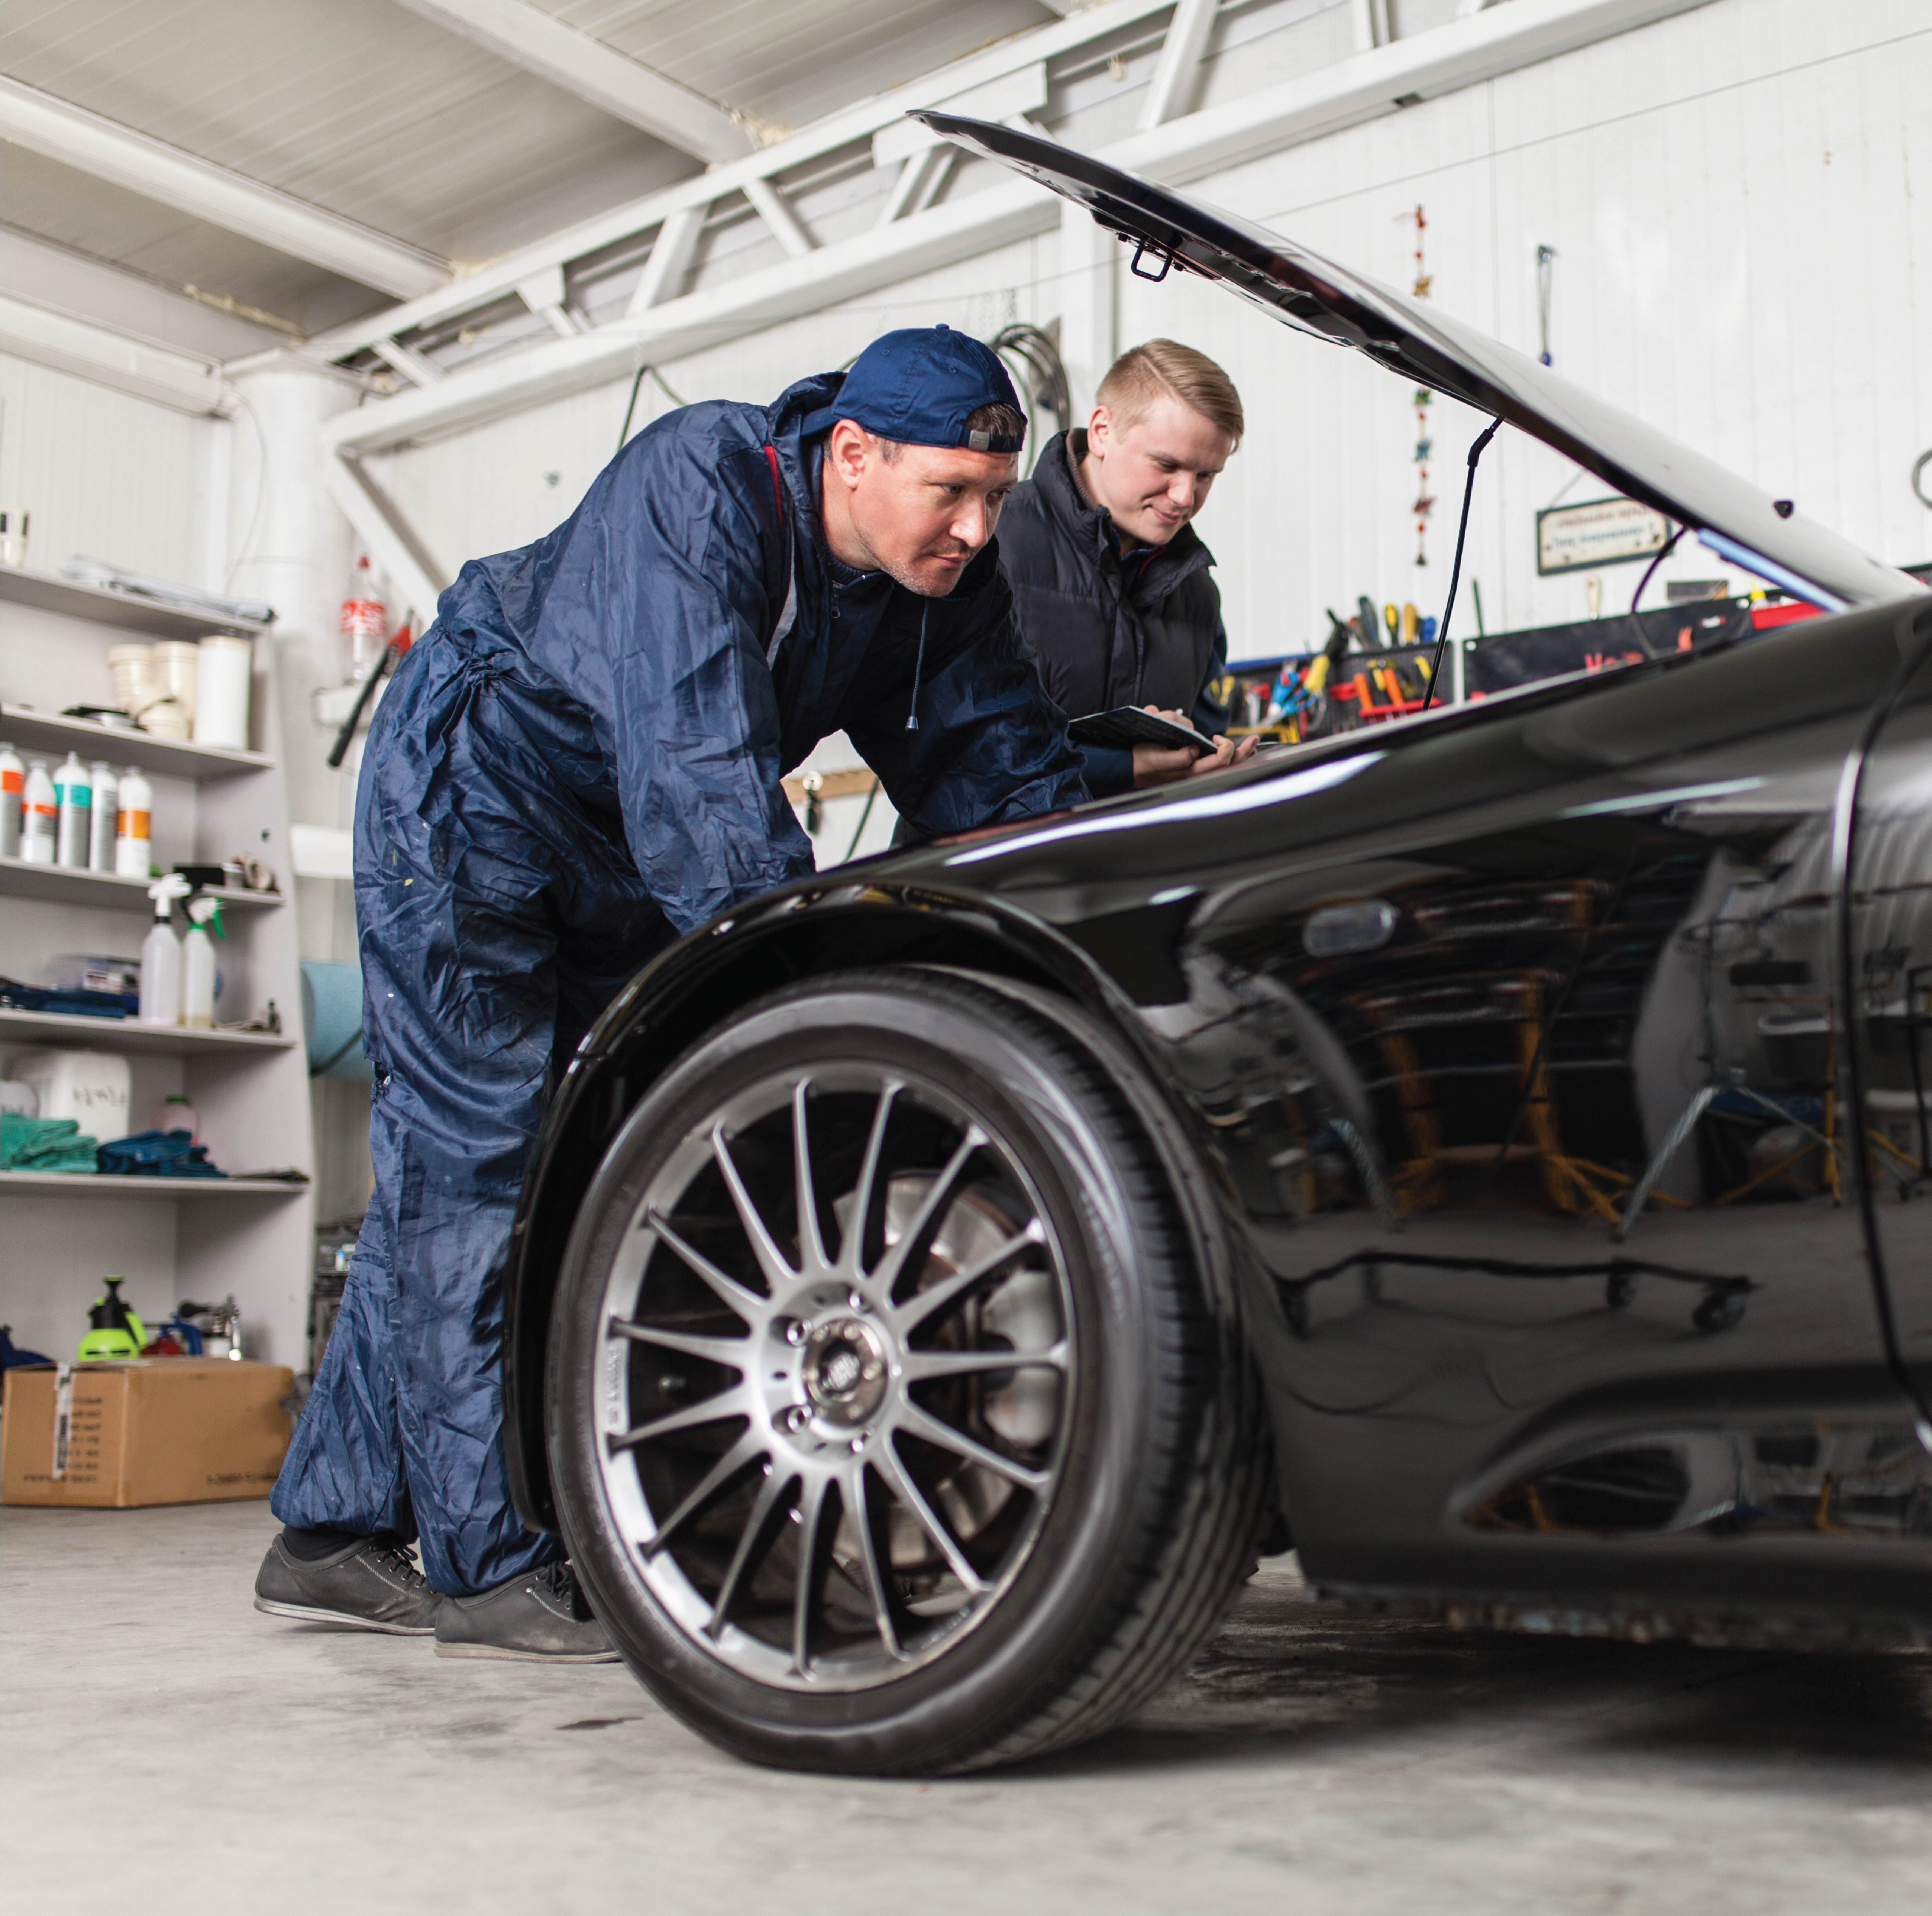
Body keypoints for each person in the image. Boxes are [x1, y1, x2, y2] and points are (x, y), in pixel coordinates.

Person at [253, 327, 1089, 1660]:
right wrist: (817, 1007)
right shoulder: (701, 483)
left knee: (520, 1163)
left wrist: (1093, 890)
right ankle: (483, 1565)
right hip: (473, 791)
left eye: (999, 496)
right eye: (953, 493)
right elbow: (701, 785)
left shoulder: (934, 580)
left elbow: (996, 766)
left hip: (612, 841)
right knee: (481, 1154)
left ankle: (331, 1532)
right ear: (855, 458)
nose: (980, 529)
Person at [999, 338, 1258, 796]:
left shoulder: (1197, 592)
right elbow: (951, 747)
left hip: (1130, 862)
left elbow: (1203, 736)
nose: (1184, 497)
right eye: (1166, 464)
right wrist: (1121, 768)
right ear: (1102, 431)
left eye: (1205, 476)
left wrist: (1210, 762)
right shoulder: (993, 543)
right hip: (985, 863)